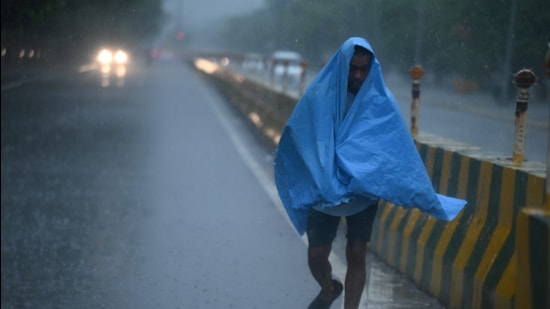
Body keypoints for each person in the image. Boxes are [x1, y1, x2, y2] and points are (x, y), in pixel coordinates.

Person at [273, 37, 466, 309]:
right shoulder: (318, 97)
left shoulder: (381, 102)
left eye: (363, 69)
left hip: (363, 187)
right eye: (353, 69)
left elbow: (396, 148)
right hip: (324, 185)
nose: (358, 75)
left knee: (357, 251)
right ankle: (328, 289)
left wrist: (411, 187)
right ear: (342, 66)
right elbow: (301, 136)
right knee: (316, 255)